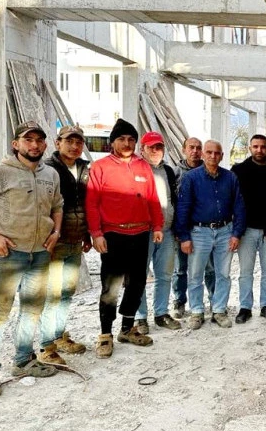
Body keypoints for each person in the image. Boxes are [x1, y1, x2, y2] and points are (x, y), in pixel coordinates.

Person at [0, 121, 63, 398]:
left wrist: (56, 232)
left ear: (45, 144)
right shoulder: (0, 173)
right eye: (28, 140)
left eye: (39, 140)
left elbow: (58, 205)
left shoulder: (50, 174)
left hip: (40, 255)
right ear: (16, 144)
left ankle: (23, 361)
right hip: (8, 255)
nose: (34, 145)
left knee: (31, 310)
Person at [86, 118, 163, 358]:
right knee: (111, 287)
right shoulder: (100, 167)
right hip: (113, 235)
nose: (127, 143)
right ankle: (105, 334)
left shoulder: (143, 167)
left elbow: (152, 198)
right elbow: (92, 203)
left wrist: (157, 226)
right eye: (121, 139)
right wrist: (96, 233)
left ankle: (127, 328)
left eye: (131, 139)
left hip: (140, 233)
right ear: (112, 142)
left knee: (137, 283)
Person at [175, 140, 246, 330]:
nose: (213, 156)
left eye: (217, 153)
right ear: (203, 154)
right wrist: (184, 236)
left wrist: (236, 233)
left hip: (225, 231)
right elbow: (183, 207)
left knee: (223, 273)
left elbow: (239, 206)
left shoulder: (230, 178)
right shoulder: (191, 178)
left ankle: (219, 310)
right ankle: (197, 311)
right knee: (195, 274)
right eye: (209, 152)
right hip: (199, 232)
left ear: (222, 156)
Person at [37, 125, 91, 367]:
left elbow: (85, 205)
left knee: (67, 293)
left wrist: (86, 234)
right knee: (52, 294)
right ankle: (46, 346)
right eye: (69, 141)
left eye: (78, 142)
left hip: (75, 240)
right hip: (54, 242)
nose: (74, 146)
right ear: (58, 143)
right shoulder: (47, 169)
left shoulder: (83, 168)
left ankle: (59, 336)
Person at [134, 132, 182, 333]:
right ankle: (140, 317)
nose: (155, 151)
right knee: (139, 276)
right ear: (142, 149)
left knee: (165, 274)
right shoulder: (134, 169)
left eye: (159, 147)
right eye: (151, 147)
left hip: (166, 231)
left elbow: (173, 200)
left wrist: (176, 227)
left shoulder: (168, 171)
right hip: (142, 232)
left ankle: (161, 313)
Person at [232, 134, 266, 323]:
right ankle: (245, 307)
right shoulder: (239, 170)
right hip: (246, 230)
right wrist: (236, 230)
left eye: (262, 147)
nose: (259, 150)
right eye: (255, 146)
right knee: (246, 271)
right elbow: (233, 200)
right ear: (250, 148)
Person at [171, 137, 214, 319]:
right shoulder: (175, 173)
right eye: (191, 147)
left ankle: (214, 301)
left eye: (198, 148)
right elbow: (172, 202)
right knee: (180, 268)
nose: (195, 151)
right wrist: (177, 229)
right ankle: (179, 301)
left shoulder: (209, 171)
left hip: (204, 229)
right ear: (184, 150)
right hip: (182, 229)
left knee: (209, 268)